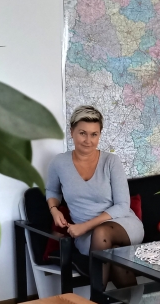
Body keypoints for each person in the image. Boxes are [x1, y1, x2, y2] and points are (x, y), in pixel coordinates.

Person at [46, 105, 143, 288]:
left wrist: (84, 227)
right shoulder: (59, 163)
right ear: (72, 132)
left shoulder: (111, 161)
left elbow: (123, 205)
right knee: (115, 257)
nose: (88, 140)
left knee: (101, 233)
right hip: (86, 237)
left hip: (122, 225)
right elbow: (52, 191)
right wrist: (54, 210)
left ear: (99, 135)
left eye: (94, 134)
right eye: (83, 133)